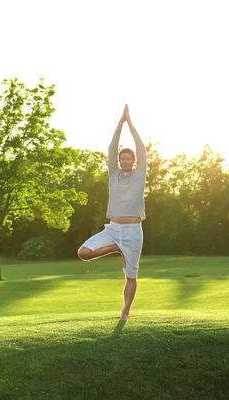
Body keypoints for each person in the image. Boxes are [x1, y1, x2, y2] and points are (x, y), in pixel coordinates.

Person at [77, 104, 147, 321]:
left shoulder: (139, 174)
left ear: (134, 161)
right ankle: (116, 248)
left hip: (134, 231)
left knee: (131, 275)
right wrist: (120, 124)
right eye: (122, 158)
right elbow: (111, 148)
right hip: (113, 229)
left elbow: (141, 146)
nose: (125, 161)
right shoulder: (114, 174)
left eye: (129, 158)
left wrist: (131, 124)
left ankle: (126, 310)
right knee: (83, 253)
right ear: (118, 161)